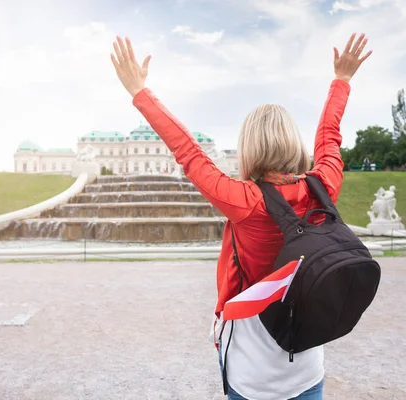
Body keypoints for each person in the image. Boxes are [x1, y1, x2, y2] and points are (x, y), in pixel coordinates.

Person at [110, 32, 372, 400]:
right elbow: (329, 139)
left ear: (249, 147)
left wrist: (140, 92)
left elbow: (189, 153)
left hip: (253, 369)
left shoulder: (244, 200)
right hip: (308, 360)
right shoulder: (323, 187)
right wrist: (341, 81)